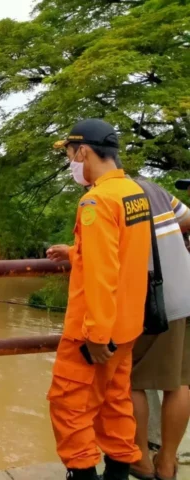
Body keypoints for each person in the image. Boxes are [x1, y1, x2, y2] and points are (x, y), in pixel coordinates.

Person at [46, 119, 151, 480]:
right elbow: (122, 253)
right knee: (115, 403)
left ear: (84, 151)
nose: (71, 162)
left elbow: (103, 272)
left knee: (69, 406)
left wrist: (95, 334)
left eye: (71, 154)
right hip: (127, 326)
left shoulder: (96, 200)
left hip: (95, 333)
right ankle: (119, 472)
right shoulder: (132, 193)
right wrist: (77, 251)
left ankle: (83, 474)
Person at [127, 178, 190, 480]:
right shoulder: (153, 188)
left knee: (134, 379)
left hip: (154, 302)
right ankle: (168, 463)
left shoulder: (110, 195)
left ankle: (140, 460)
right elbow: (187, 218)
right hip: (185, 293)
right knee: (178, 382)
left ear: (85, 153)